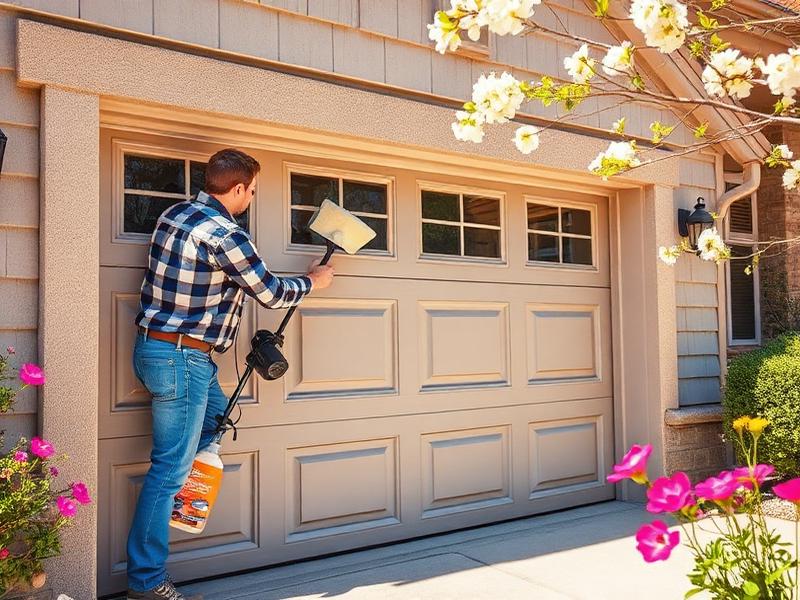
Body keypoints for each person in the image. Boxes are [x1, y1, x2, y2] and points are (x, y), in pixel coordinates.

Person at [126, 149, 334, 600]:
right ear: (239, 188)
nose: (252, 198)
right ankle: (146, 583)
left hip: (157, 350)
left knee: (216, 422)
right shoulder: (227, 235)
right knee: (168, 469)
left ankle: (186, 496)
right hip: (182, 359)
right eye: (253, 190)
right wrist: (314, 282)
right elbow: (272, 293)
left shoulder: (174, 214)